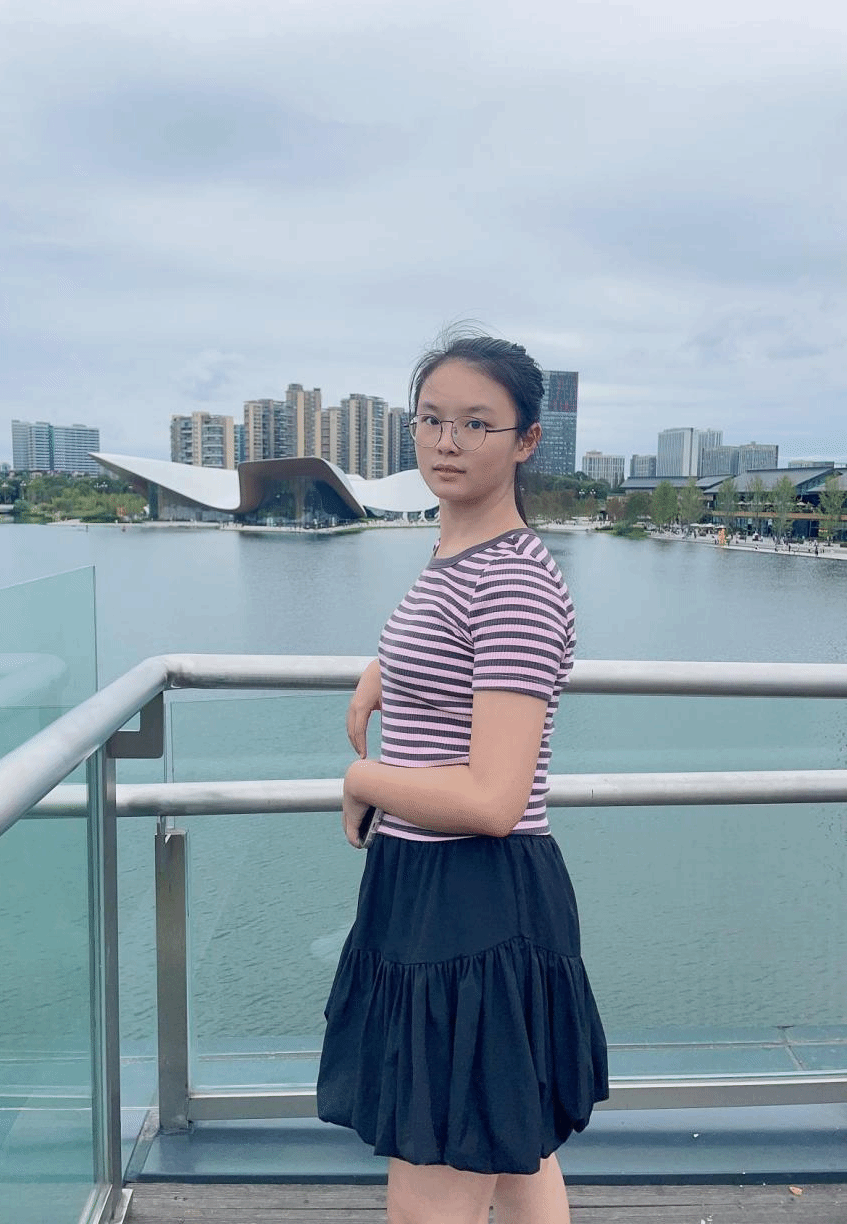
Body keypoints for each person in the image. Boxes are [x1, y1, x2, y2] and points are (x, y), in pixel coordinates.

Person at [317, 332, 609, 1224]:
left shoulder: (514, 582)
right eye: (431, 420)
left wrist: (364, 780)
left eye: (477, 424)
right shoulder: (460, 556)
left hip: (473, 903)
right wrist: (387, 672)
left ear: (527, 441)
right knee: (514, 1156)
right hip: (432, 893)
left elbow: (493, 799)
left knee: (431, 1193)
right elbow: (456, 654)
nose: (448, 442)